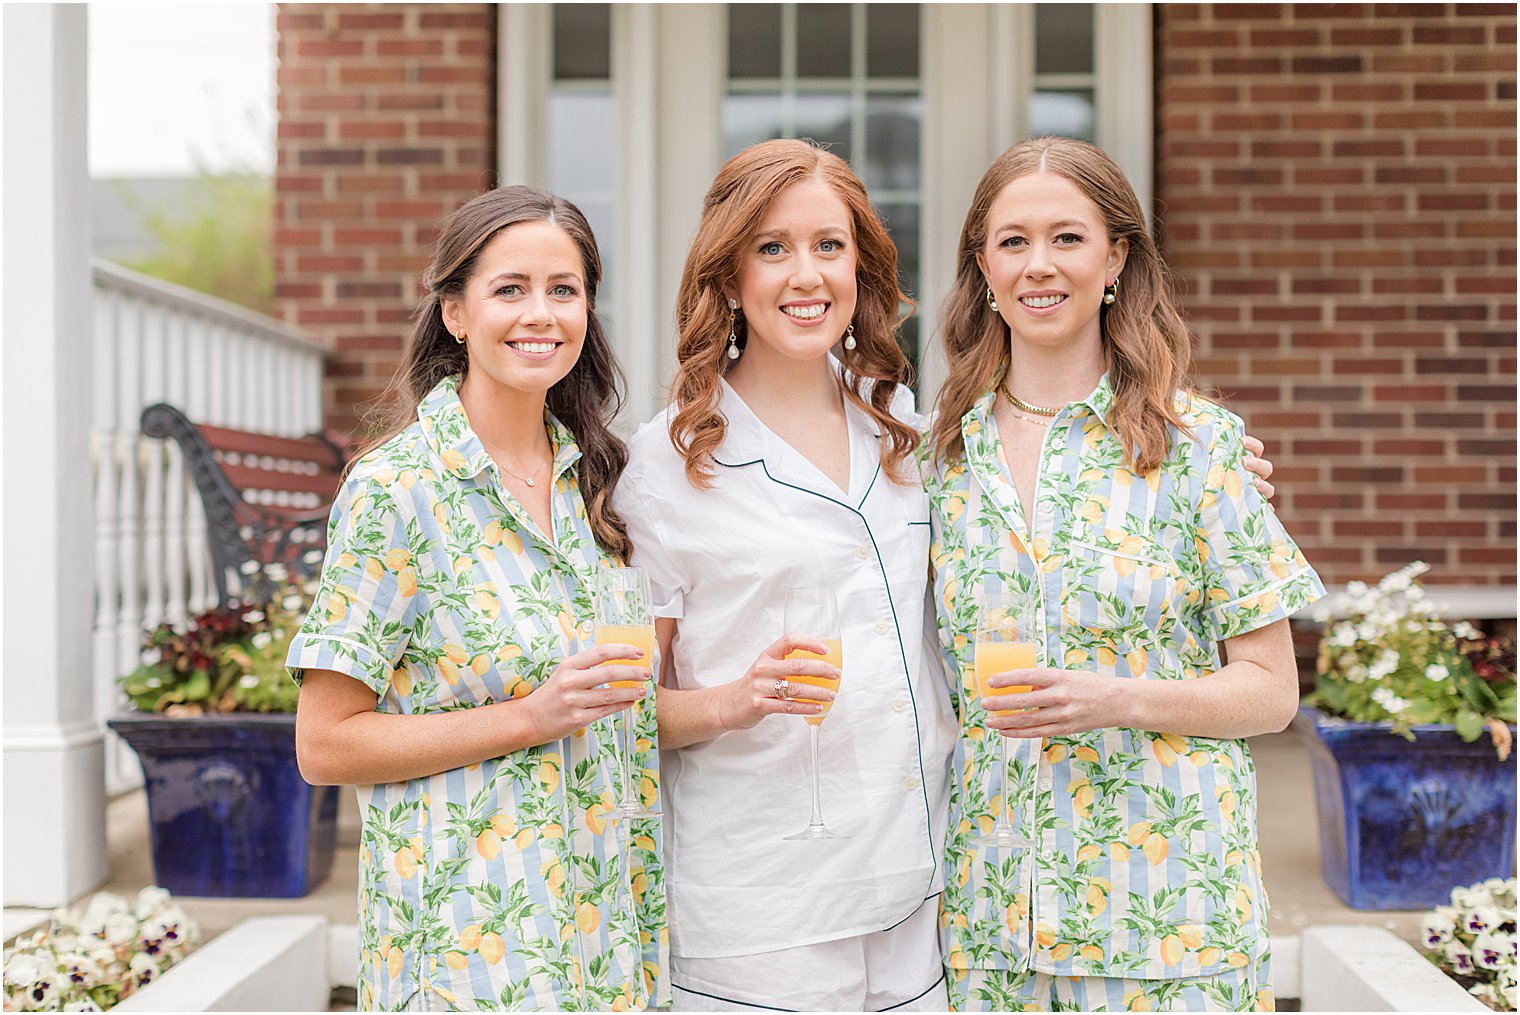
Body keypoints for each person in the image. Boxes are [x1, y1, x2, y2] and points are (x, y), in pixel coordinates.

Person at [924, 136, 1325, 1012]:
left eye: (1067, 238)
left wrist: (1117, 698)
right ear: (983, 268)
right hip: (990, 930)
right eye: (1013, 240)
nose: (1040, 264)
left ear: (1115, 259)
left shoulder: (1200, 446)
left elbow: (1271, 690)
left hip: (1172, 926)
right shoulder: (934, 461)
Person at [288, 186, 667, 1012]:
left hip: (601, 934)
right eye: (511, 289)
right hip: (472, 947)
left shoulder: (594, 484)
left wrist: (743, 700)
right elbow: (324, 745)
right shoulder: (398, 489)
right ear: (455, 312)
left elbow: (614, 711)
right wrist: (529, 716)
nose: (542, 313)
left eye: (564, 290)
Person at [612, 139, 959, 1011]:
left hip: (917, 892)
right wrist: (737, 696)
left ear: (861, 267)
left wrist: (1206, 461)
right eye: (772, 248)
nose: (806, 275)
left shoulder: (902, 431)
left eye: (828, 246)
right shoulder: (665, 463)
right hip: (763, 915)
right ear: (728, 277)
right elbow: (622, 712)